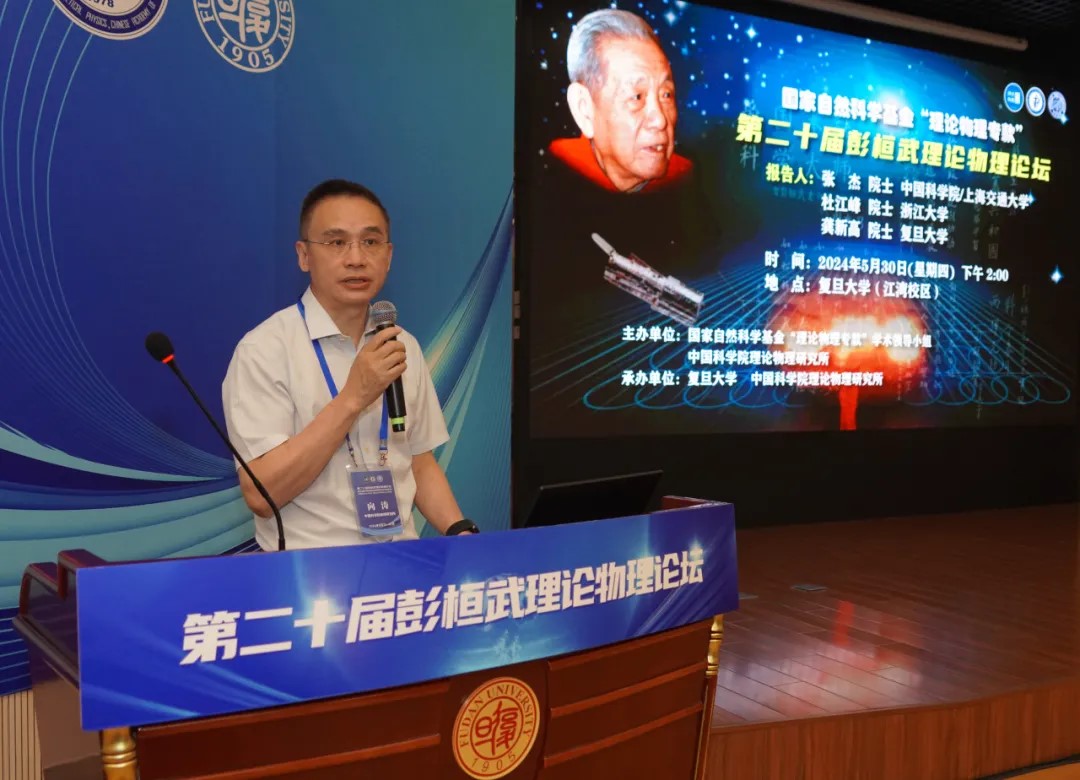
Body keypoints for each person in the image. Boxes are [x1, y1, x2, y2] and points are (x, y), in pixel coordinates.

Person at [222, 179, 477, 551]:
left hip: (400, 559)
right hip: (310, 568)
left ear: (388, 256)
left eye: (370, 242)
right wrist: (353, 398)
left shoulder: (401, 344)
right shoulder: (264, 350)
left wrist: (459, 531)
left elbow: (418, 461)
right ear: (304, 255)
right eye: (336, 242)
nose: (356, 258)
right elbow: (261, 494)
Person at [550, 8, 692, 194]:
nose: (660, 120)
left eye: (666, 95)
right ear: (584, 109)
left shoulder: (686, 179)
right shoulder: (558, 169)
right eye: (637, 97)